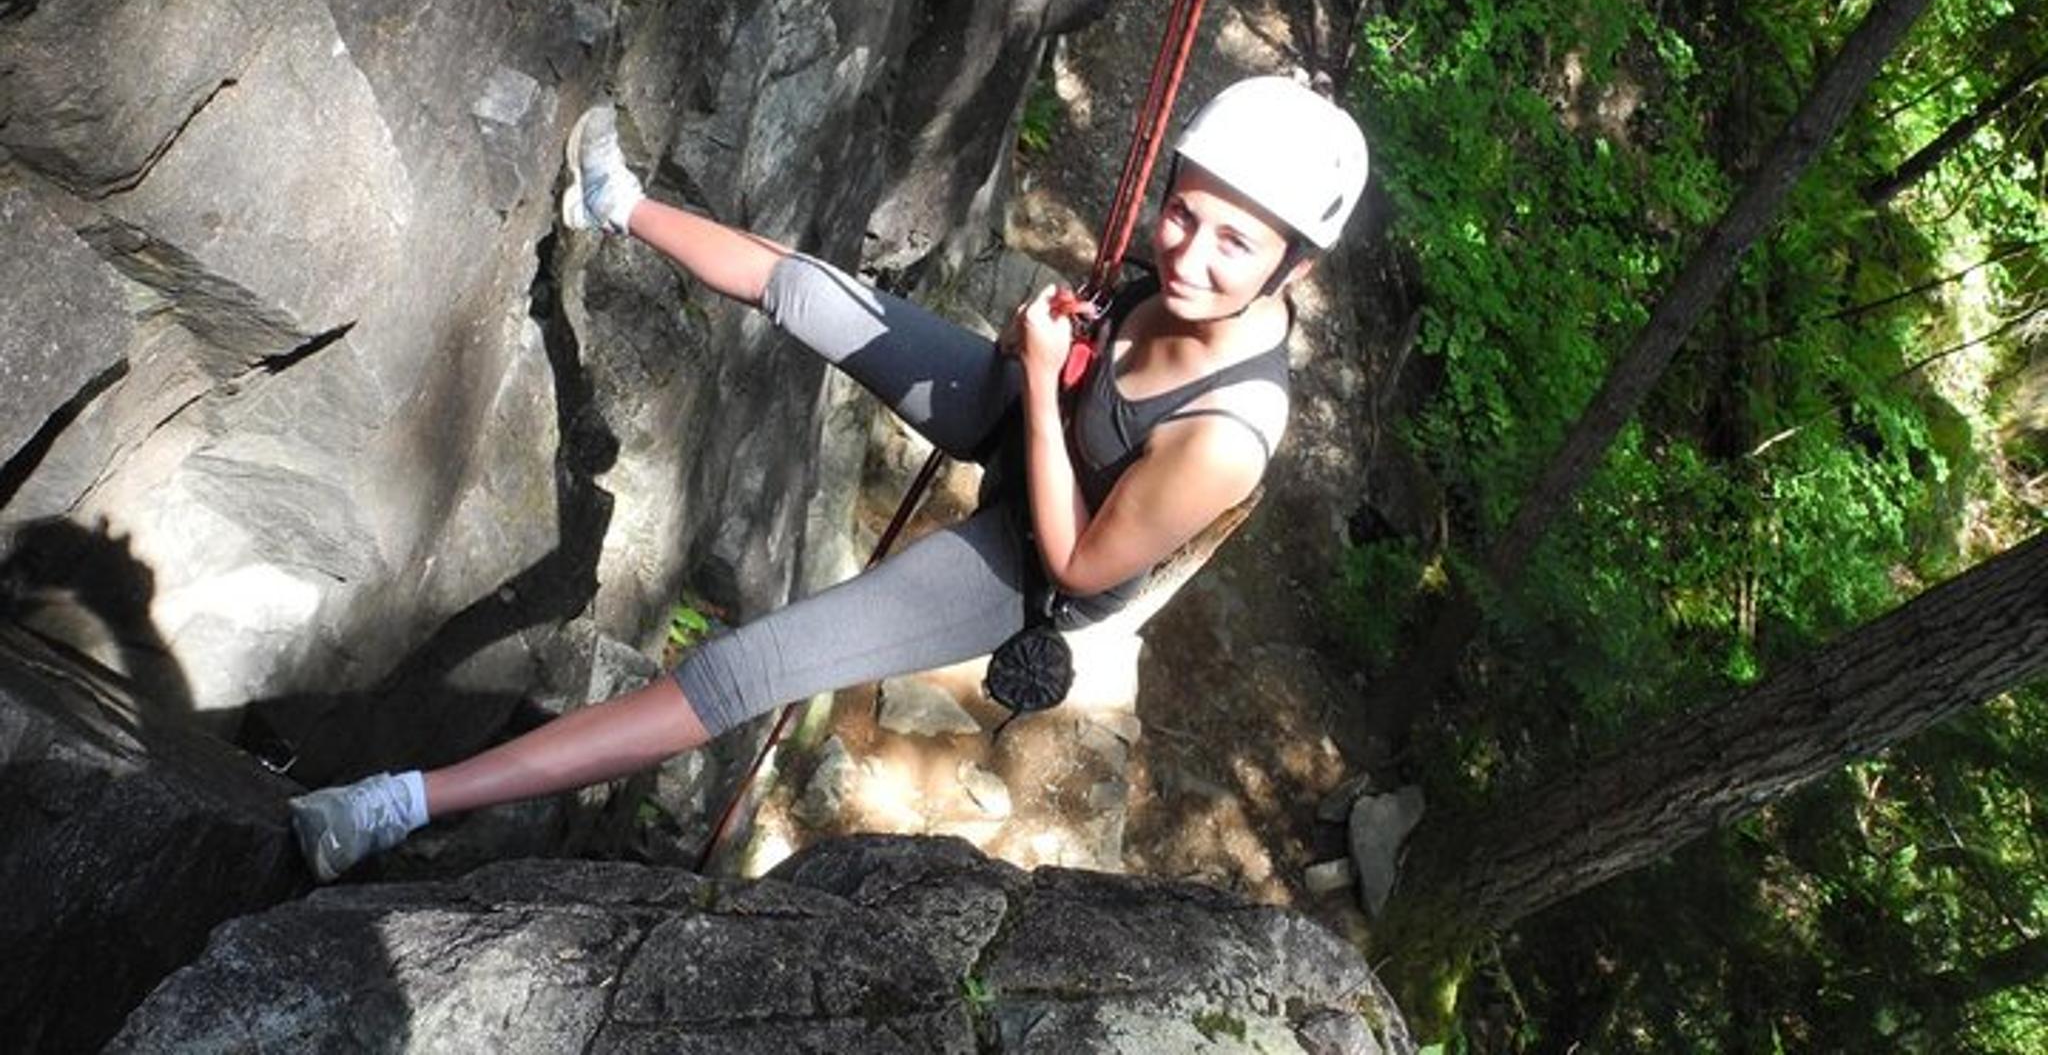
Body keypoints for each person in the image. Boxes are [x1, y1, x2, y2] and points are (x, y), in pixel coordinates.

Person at [289, 74, 1368, 882]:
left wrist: (1042, 384)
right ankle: (612, 202)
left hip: (1031, 562)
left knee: (741, 673)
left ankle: (395, 805)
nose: (1186, 254)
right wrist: (1039, 360)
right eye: (1183, 211)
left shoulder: (1228, 434)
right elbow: (1065, 357)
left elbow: (1081, 554)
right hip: (1035, 408)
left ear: (1293, 268)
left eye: (1235, 242)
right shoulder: (1172, 282)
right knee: (811, 294)